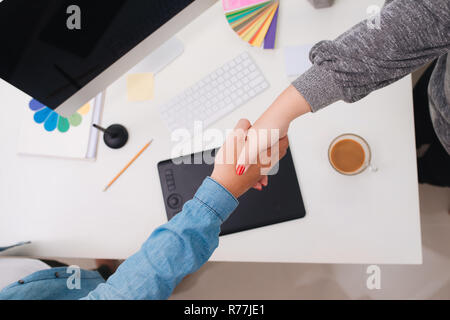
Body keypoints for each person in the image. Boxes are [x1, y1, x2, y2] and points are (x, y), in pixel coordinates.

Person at [0, 119, 289, 300]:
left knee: (82, 278)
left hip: (41, 281)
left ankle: (104, 272)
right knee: (146, 278)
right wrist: (222, 190)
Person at [236, 0, 450, 187]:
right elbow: (423, 18)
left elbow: (431, 14)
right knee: (415, 122)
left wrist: (275, 117)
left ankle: (417, 175)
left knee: (423, 171)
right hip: (439, 90)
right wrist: (274, 119)